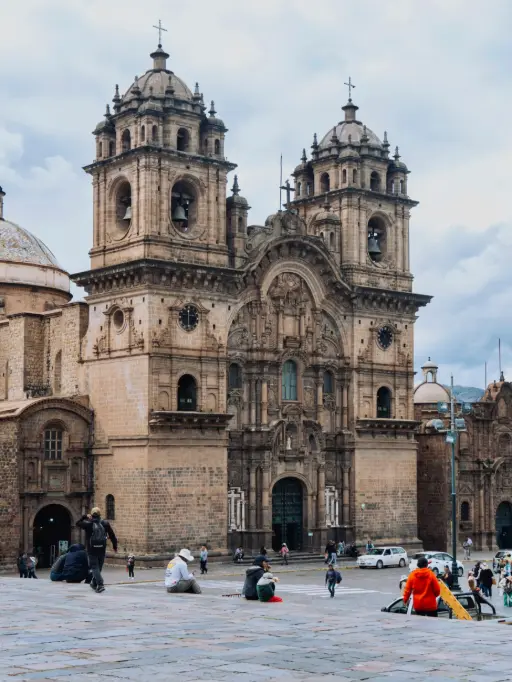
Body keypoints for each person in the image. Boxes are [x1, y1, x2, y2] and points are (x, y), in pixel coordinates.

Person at [76, 506, 118, 593]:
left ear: (91, 514)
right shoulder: (105, 523)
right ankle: (94, 583)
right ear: (100, 514)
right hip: (102, 548)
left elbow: (78, 523)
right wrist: (115, 546)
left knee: (95, 567)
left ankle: (100, 584)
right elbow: (112, 535)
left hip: (92, 549)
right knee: (99, 567)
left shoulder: (88, 524)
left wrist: (84, 516)